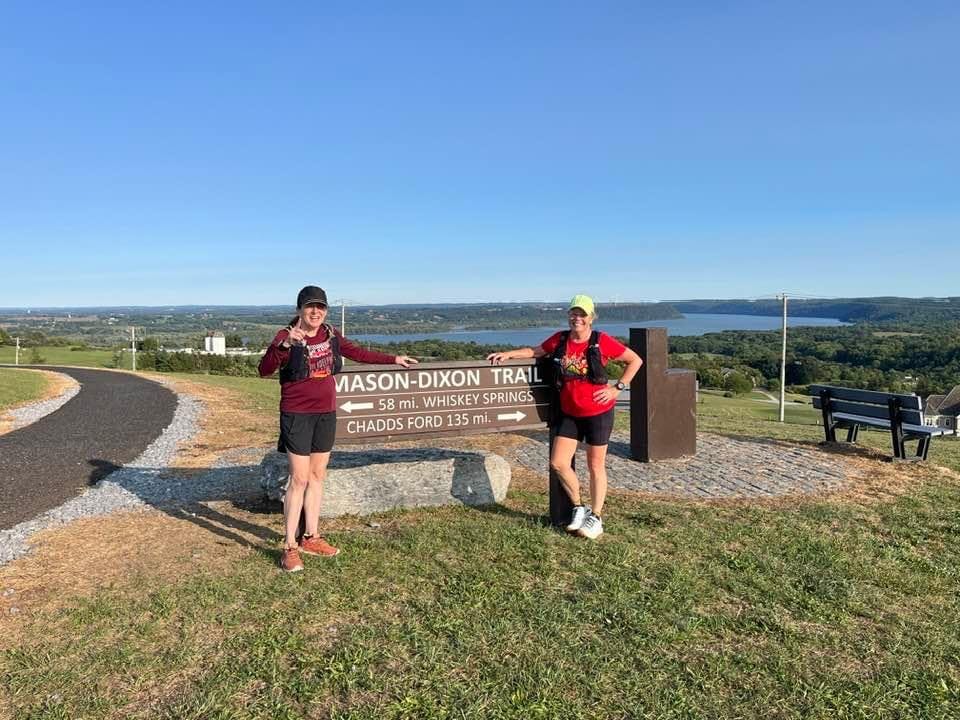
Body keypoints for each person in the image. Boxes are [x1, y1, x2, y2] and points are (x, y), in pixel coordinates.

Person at [259, 285, 418, 572]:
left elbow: (358, 352)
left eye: (320, 307)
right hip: (296, 414)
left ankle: (311, 536)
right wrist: (283, 346)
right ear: (299, 310)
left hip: (326, 413)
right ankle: (289, 547)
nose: (315, 312)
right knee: (299, 480)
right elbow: (264, 369)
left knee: (318, 475)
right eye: (310, 307)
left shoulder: (330, 334)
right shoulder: (286, 335)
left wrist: (393, 359)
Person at [487, 294, 642, 539]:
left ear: (591, 318)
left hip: (598, 413)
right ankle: (579, 507)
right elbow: (536, 351)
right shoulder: (560, 339)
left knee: (595, 466)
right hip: (569, 413)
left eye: (582, 314)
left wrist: (617, 389)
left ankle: (596, 517)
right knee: (558, 463)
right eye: (573, 313)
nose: (576, 318)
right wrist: (508, 354)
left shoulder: (601, 341)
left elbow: (635, 360)